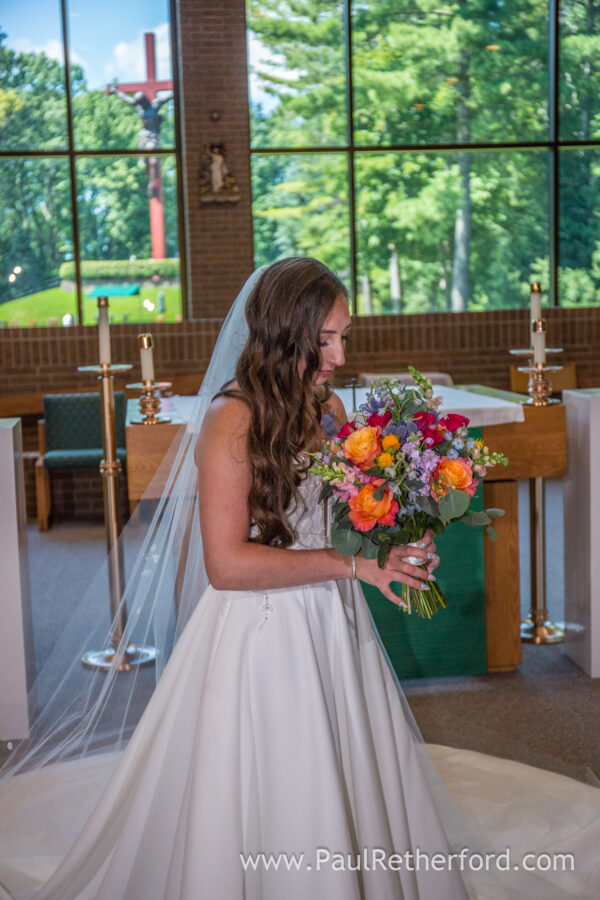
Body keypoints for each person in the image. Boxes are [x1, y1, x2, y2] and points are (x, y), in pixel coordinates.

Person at [1, 259, 599, 899]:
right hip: (262, 631)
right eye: (326, 340)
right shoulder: (231, 419)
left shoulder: (328, 406)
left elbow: (344, 514)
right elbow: (227, 566)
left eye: (344, 337)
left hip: (333, 616)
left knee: (349, 767)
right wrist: (353, 566)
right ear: (283, 334)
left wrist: (396, 539)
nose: (340, 356)